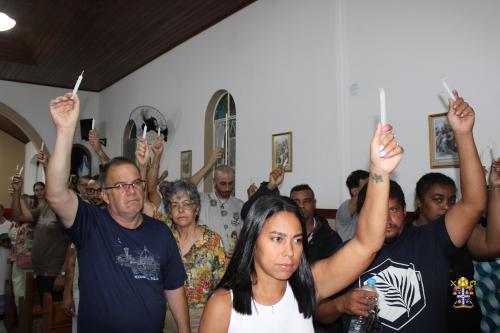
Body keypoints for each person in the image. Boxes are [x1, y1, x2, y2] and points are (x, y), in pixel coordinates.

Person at [199, 121, 403, 332]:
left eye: (297, 240)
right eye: (277, 238)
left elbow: (367, 244)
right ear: (253, 240)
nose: (290, 252)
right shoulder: (223, 304)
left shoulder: (305, 287)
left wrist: (379, 171)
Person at [315, 91, 487, 332]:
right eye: (378, 211)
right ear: (363, 214)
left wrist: (463, 133)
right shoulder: (348, 255)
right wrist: (341, 305)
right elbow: (318, 312)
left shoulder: (432, 239)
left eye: (394, 209)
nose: (386, 218)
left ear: (406, 210)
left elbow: (474, 203)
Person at [45, 92, 190, 332]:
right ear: (104, 195)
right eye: (121, 186)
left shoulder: (161, 232)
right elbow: (56, 194)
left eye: (136, 183)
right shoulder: (90, 225)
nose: (131, 191)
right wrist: (64, 131)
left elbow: (174, 287)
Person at [412, 159, 500, 332]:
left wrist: (496, 188)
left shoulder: (461, 232)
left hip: (467, 325)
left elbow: (494, 245)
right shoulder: (407, 237)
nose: (447, 206)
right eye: (438, 199)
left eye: (452, 200)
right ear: (419, 202)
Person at [163, 179, 227, 332]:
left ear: (196, 209)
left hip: (202, 316)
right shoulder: (163, 237)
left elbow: (222, 285)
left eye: (186, 204)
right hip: (166, 316)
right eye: (175, 205)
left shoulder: (213, 241)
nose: (181, 209)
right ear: (169, 212)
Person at [10, 175, 69, 303]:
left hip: (55, 273)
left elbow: (71, 247)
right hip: (40, 271)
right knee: (46, 310)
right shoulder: (43, 209)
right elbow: (18, 216)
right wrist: (17, 192)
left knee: (55, 315)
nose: (40, 192)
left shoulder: (66, 212)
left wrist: (62, 274)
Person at [193, 153, 243, 257]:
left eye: (231, 183)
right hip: (207, 262)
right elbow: (184, 188)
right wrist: (208, 165)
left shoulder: (240, 204)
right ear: (214, 182)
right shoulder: (202, 200)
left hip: (232, 264)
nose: (227, 188)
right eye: (223, 183)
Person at [335, 170, 369, 241]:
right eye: (367, 186)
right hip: (348, 249)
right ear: (355, 192)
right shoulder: (345, 207)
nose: (372, 189)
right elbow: (358, 199)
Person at [0, 203, 13, 317]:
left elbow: (14, 243)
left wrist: (4, 242)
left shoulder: (10, 225)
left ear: (2, 211)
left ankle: (3, 310)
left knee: (4, 282)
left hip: (5, 257)